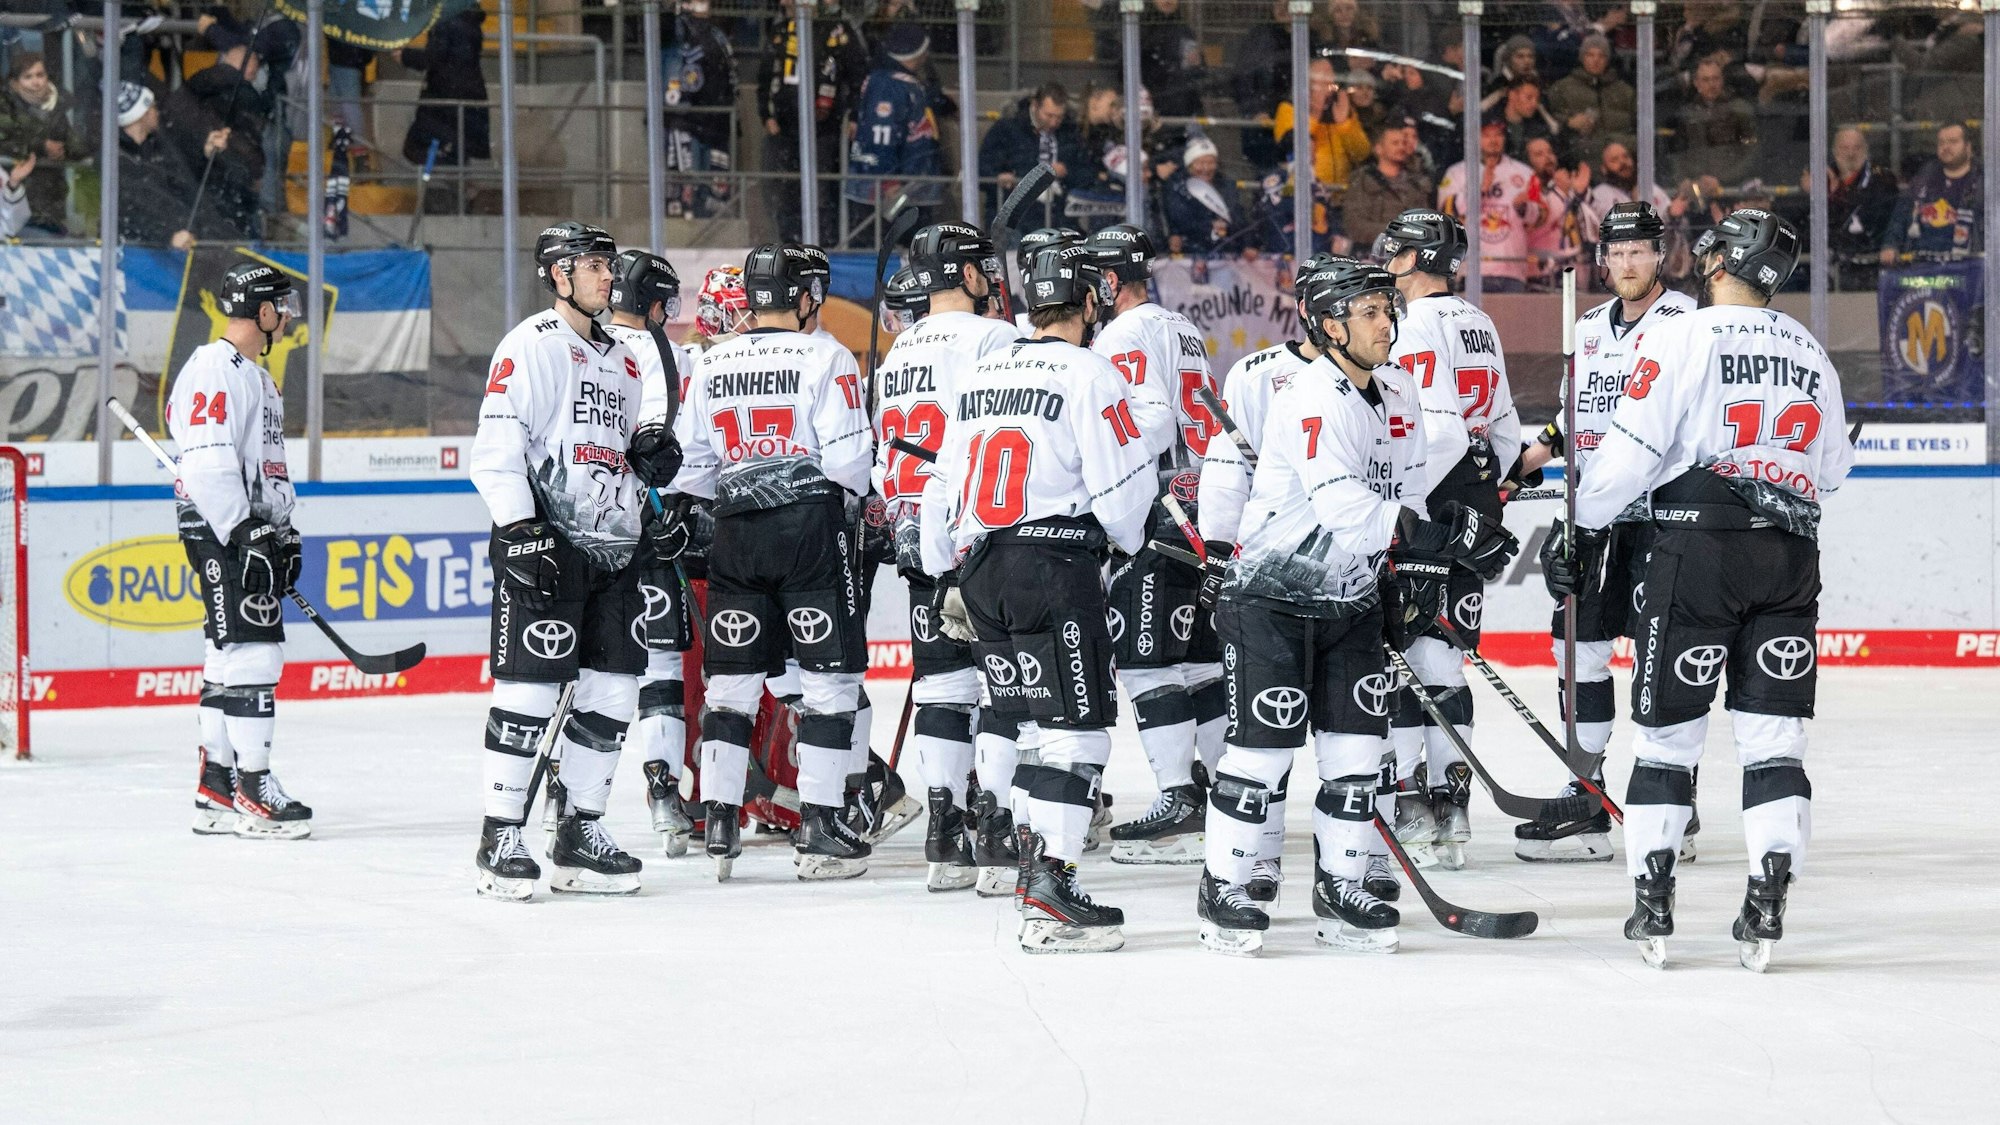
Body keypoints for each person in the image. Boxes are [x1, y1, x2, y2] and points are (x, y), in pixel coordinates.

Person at [1549, 208, 1854, 972]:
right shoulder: (1812, 351)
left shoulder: (1685, 334)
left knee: (1667, 739)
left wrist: (1580, 525)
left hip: (1695, 552)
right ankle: (1768, 896)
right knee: (1774, 740)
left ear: (1721, 261)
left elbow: (1631, 451)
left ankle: (1653, 900)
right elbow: (1834, 470)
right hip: (1789, 557)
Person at [1197, 258, 1516, 955]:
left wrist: (1421, 566)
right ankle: (1222, 887)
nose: (1386, 321)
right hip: (1272, 599)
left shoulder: (1400, 389)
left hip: (1351, 598)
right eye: (1369, 310)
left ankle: (1342, 886)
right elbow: (1348, 510)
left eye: (1387, 307)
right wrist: (1447, 540)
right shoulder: (1311, 396)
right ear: (1330, 322)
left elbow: (1406, 492)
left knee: (1358, 753)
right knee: (1262, 752)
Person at [919, 242, 1156, 953]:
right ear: (1088, 303)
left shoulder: (985, 372)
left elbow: (943, 484)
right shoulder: (1093, 373)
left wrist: (943, 566)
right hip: (1053, 566)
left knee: (1023, 721)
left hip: (982, 567)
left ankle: (1028, 862)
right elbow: (1123, 499)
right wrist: (1125, 539)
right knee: (1076, 729)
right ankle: (1051, 884)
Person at [469, 223, 662, 900]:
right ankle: (499, 834)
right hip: (546, 542)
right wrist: (519, 528)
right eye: (596, 266)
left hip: (614, 550)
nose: (610, 277)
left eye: (610, 266)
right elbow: (497, 446)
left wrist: (652, 483)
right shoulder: (531, 344)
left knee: (614, 691)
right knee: (529, 689)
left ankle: (580, 827)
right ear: (559, 273)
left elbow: (621, 453)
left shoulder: (626, 360)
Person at [672, 244, 874, 882]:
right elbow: (848, 463)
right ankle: (820, 823)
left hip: (734, 533)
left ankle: (722, 820)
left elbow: (692, 467)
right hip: (809, 530)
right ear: (804, 297)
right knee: (827, 681)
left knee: (729, 683)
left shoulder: (713, 361)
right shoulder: (827, 355)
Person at [1510, 201, 1696, 863]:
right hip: (1590, 514)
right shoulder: (1587, 328)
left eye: (1638, 251)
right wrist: (1524, 463)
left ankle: (1674, 797)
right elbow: (1573, 421)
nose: (1626, 263)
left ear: (1660, 254)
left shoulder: (1686, 323)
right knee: (1578, 648)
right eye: (1615, 253)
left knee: (1659, 653)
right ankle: (1585, 793)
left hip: (1662, 515)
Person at [874, 223, 1023, 892]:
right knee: (999, 684)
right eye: (981, 267)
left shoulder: (901, 345)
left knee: (939, 685)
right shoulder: (994, 336)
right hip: (979, 529)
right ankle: (992, 829)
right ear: (964, 274)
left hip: (917, 534)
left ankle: (945, 831)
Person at [1374, 208, 1520, 868]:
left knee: (1407, 655)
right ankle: (1451, 805)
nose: (1387, 261)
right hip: (1476, 502)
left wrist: (1397, 507)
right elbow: (1506, 431)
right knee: (1448, 658)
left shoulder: (1416, 322)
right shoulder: (1478, 320)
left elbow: (1440, 431)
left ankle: (1410, 803)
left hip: (1429, 503)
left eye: (1394, 251)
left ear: (1413, 257)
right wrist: (1490, 497)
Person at [1079, 224, 1222, 864]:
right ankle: (1225, 795)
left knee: (1144, 662)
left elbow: (1152, 415)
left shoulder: (1121, 333)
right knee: (1196, 659)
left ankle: (1179, 803)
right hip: (1201, 503)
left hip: (1157, 512)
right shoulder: (1182, 328)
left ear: (1110, 282)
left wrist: (1108, 481)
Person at [174, 261, 308, 840]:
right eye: (281, 304)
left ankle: (218, 785)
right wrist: (243, 530)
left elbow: (266, 466)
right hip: (223, 529)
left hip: (247, 530)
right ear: (260, 311)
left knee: (225, 656)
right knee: (255, 652)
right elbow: (207, 462)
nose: (287, 315)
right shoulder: (214, 367)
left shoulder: (254, 374)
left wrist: (281, 528)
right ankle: (254, 785)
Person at [600, 250, 700, 857]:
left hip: (584, 530)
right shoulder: (673, 357)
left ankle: (567, 794)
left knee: (588, 668)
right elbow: (681, 453)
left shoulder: (573, 343)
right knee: (661, 663)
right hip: (651, 530)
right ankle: (663, 790)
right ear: (659, 304)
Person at [757, 1, 868, 243]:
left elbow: (859, 75)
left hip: (824, 129)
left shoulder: (834, 30)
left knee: (822, 189)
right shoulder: (780, 33)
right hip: (785, 129)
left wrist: (855, 115)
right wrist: (766, 115)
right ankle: (790, 244)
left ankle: (824, 244)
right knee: (787, 189)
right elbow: (765, 78)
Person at [846, 24, 947, 225]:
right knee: (881, 249)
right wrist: (888, 181)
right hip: (891, 195)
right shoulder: (888, 85)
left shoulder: (905, 83)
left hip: (912, 190)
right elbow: (879, 136)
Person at [1273, 58, 1371, 253]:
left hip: (1340, 203)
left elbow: (1361, 153)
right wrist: (1315, 114)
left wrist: (1344, 124)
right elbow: (1292, 146)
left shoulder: (1340, 109)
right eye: (1321, 82)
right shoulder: (1289, 108)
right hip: (1306, 201)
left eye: (1331, 82)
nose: (1328, 88)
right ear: (1306, 85)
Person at [1439, 119, 1542, 292]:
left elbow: (1539, 219)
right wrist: (1479, 190)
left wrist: (1523, 207)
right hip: (1470, 269)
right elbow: (1446, 215)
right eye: (1486, 135)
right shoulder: (1457, 172)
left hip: (1513, 269)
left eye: (1498, 135)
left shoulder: (1525, 173)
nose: (1493, 140)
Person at [662, 0, 738, 220]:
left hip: (716, 120)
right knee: (688, 186)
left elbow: (728, 75)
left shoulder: (717, 34)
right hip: (687, 119)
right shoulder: (676, 28)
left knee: (713, 189)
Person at [1799, 127, 1895, 290]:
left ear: (1866, 150)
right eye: (1844, 148)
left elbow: (1868, 222)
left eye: (1856, 148)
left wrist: (1836, 194)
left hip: (1868, 265)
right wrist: (1808, 193)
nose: (1850, 154)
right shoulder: (1822, 177)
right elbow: (1810, 227)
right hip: (1826, 266)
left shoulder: (1881, 179)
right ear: (1834, 151)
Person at [399, 2, 489, 168]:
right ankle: (454, 181)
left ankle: (448, 179)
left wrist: (405, 56)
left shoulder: (446, 21)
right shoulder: (468, 20)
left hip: (445, 95)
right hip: (466, 93)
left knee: (416, 147)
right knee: (454, 148)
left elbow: (434, 58)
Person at [114, 82, 202, 249]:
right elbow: (130, 211)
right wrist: (167, 235)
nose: (157, 112)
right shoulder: (115, 159)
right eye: (153, 107)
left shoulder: (158, 146)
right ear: (142, 114)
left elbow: (182, 185)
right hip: (136, 250)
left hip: (173, 240)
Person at [1880, 122, 1982, 265]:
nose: (1946, 147)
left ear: (1968, 147)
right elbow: (1900, 216)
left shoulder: (1984, 182)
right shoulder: (1923, 178)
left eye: (1953, 142)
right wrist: (1890, 245)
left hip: (1968, 269)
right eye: (1941, 143)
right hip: (1922, 268)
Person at [978, 82, 1079, 221]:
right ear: (1035, 105)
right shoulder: (1006, 128)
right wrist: (999, 178)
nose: (1054, 122)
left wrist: (1068, 171)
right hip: (1014, 214)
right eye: (1049, 115)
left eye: (1059, 117)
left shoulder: (1069, 131)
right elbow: (983, 167)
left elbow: (1083, 166)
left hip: (1059, 213)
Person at [3, 52, 76, 235]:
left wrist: (66, 150)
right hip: (14, 209)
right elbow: (5, 141)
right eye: (28, 77)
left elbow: (78, 143)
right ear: (15, 82)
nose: (36, 82)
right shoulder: (5, 106)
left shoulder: (57, 106)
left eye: (40, 75)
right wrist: (41, 146)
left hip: (52, 205)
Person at [1343, 117, 1433, 252]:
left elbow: (1425, 226)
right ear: (1379, 149)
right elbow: (1354, 226)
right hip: (1369, 255)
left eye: (1403, 143)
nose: (1401, 147)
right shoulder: (1361, 181)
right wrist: (1396, 231)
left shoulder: (1416, 184)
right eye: (1395, 143)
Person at [1665, 59, 1756, 187]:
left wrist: (1722, 179)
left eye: (1716, 79)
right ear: (1696, 83)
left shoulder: (1740, 110)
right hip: (1695, 185)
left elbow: (1751, 153)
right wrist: (1682, 179)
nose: (1712, 84)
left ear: (1722, 80)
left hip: (1732, 186)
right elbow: (1677, 152)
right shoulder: (1686, 114)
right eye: (1706, 80)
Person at [1545, 33, 1635, 153]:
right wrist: (1568, 122)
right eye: (1590, 55)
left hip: (1620, 154)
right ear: (1582, 57)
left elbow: (1641, 126)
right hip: (1580, 153)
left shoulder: (1625, 91)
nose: (1596, 60)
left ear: (1608, 60)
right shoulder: (1562, 88)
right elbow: (1548, 119)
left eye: (1601, 56)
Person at [1163, 135, 1244, 256]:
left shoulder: (1226, 185)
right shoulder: (1177, 186)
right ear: (1189, 165)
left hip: (1224, 251)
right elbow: (1180, 219)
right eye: (1200, 163)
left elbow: (1236, 216)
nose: (1206, 168)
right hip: (1190, 250)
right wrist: (1210, 226)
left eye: (1211, 163)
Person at [1139, 0, 1204, 119]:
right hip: (1148, 110)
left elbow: (1197, 72)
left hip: (1180, 111)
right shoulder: (1138, 30)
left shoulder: (1184, 31)